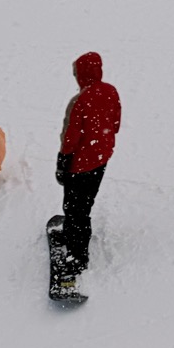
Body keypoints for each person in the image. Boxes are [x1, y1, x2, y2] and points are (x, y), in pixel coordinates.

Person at [54, 52, 121, 273]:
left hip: (80, 165)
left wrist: (63, 162)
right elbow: (116, 124)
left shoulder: (80, 100)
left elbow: (70, 137)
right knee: (85, 201)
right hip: (101, 159)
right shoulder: (111, 91)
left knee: (74, 208)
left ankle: (77, 255)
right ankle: (74, 234)